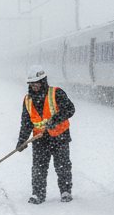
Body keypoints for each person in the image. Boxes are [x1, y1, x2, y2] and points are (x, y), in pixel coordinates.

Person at [17, 65, 75, 204]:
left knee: (62, 166)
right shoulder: (27, 100)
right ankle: (38, 194)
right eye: (31, 84)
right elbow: (26, 123)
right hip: (40, 140)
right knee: (38, 168)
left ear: (43, 81)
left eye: (36, 83)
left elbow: (70, 109)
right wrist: (22, 141)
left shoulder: (56, 93)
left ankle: (65, 192)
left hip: (59, 137)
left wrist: (55, 120)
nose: (34, 86)